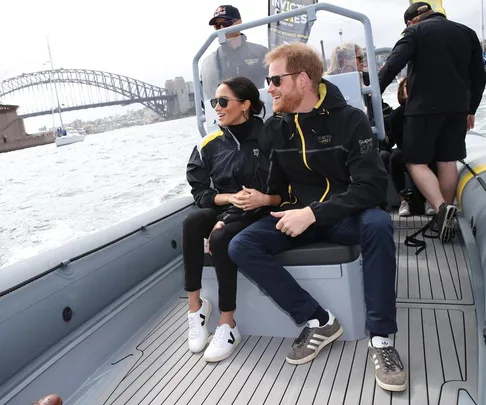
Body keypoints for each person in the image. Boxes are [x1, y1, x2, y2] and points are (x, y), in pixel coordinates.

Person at [228, 43, 407, 392]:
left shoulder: (350, 120)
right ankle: (318, 319)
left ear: (303, 80)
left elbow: (370, 188)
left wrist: (312, 213)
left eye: (275, 80)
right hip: (297, 215)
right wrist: (230, 217)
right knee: (241, 245)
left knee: (379, 224)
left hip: (342, 217)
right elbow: (270, 190)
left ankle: (382, 340)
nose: (269, 88)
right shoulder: (275, 129)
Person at [184, 76, 282, 362]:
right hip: (228, 203)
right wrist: (228, 201)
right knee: (192, 222)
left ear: (246, 105)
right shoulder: (210, 144)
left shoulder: (270, 138)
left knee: (220, 235)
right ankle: (195, 308)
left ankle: (228, 322)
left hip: (260, 208)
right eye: (215, 102)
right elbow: (201, 191)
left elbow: (283, 189)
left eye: (223, 101)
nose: (217, 107)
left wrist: (247, 206)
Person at [379, 2, 485, 242]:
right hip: (457, 109)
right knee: (447, 161)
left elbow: (392, 66)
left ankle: (439, 208)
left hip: (423, 109)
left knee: (415, 161)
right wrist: (471, 109)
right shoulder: (467, 33)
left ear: (411, 21)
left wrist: (373, 95)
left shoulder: (414, 33)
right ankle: (444, 217)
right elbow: (479, 77)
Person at [200, 5, 268, 99]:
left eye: (227, 23)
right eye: (217, 26)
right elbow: (208, 95)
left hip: (258, 108)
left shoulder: (260, 52)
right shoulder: (210, 62)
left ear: (239, 22)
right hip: (228, 111)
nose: (222, 28)